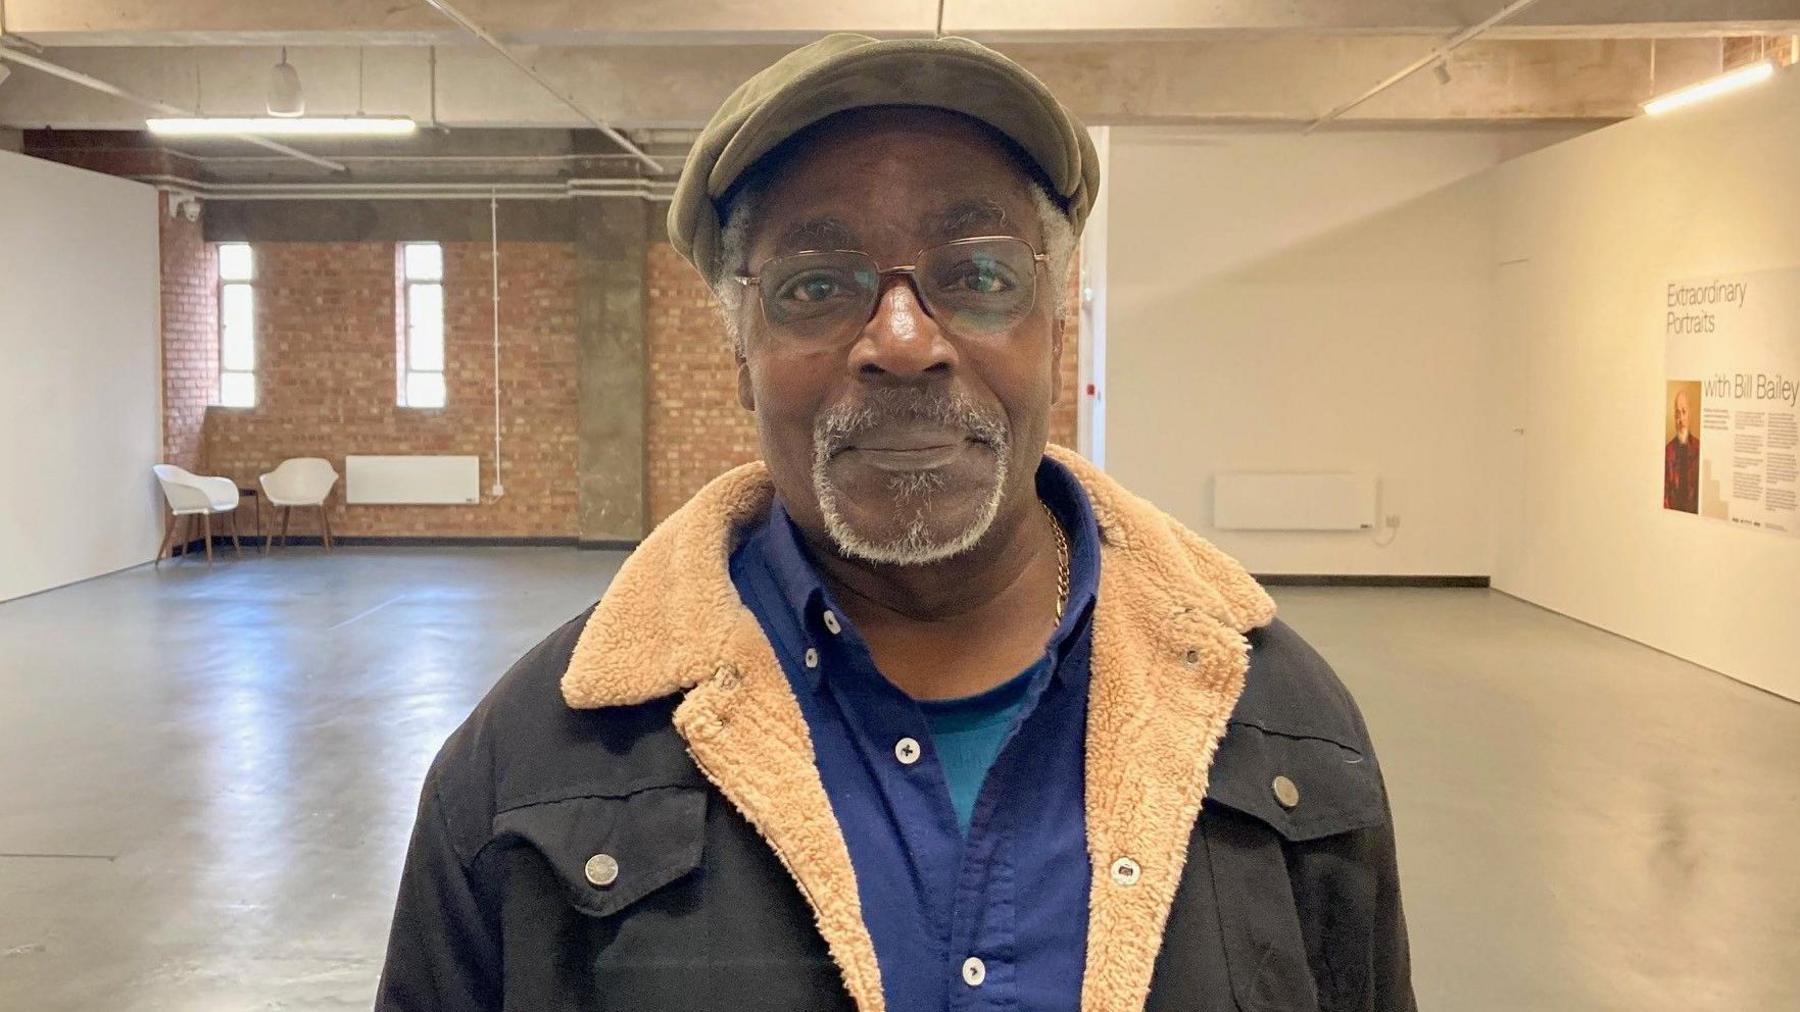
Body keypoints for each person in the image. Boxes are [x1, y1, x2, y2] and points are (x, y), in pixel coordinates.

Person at [376, 33, 1413, 1012]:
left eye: (979, 274)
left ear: (1056, 321)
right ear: (739, 350)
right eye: (818, 284)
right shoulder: (532, 771)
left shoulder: (1279, 728)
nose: (904, 341)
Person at [1665, 388, 1700, 513]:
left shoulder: (1698, 448)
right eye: (1677, 413)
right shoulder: (1668, 451)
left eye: (1684, 412)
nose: (1681, 419)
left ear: (1689, 414)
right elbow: (1665, 495)